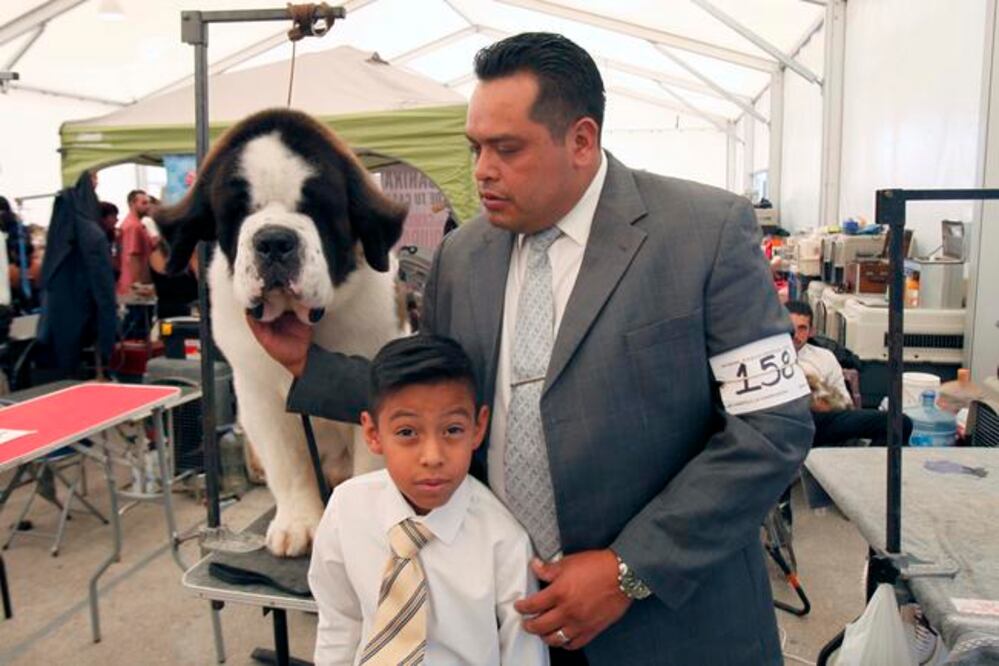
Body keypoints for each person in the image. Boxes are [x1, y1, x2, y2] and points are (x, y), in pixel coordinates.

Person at [252, 32, 814, 665]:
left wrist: (628, 569)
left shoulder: (702, 233)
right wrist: (309, 365)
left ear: (581, 140)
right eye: (476, 148)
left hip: (670, 628)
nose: (482, 170)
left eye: (506, 149)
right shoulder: (464, 257)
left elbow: (772, 428)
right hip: (511, 626)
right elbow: (432, 400)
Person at [308, 334, 548, 666]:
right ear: (373, 433)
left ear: (478, 428)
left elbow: (524, 655)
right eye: (407, 432)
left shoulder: (503, 541)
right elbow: (339, 621)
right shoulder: (346, 510)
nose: (433, 457)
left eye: (452, 430)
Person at [786, 300, 912, 446]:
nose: (795, 334)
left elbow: (844, 402)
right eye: (790, 328)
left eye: (802, 328)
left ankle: (872, 464)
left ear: (811, 331)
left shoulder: (824, 357)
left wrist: (825, 404)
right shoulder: (767, 355)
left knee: (899, 422)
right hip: (786, 423)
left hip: (825, 420)